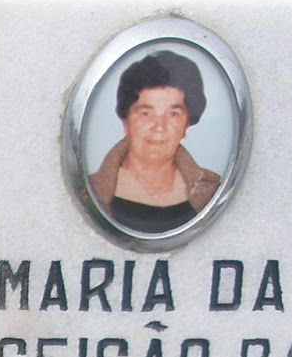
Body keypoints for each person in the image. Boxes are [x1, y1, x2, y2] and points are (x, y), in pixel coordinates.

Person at [87, 50, 221, 234]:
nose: (159, 127)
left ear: (186, 124)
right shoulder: (91, 192)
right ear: (126, 121)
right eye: (146, 113)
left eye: (173, 114)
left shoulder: (212, 191)